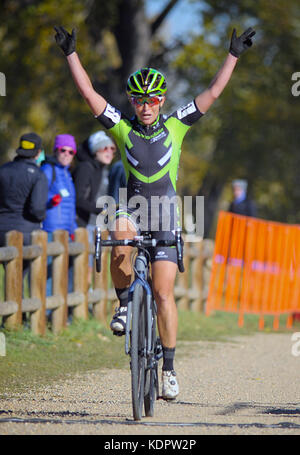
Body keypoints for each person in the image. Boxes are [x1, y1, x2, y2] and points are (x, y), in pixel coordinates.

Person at [54, 25, 256, 400]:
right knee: (117, 233)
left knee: (164, 295)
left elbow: (212, 92)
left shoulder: (178, 125)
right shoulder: (122, 129)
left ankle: (169, 368)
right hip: (133, 208)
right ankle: (125, 304)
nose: (145, 106)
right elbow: (88, 93)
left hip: (165, 214)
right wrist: (71, 54)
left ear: (161, 101)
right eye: (139, 100)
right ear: (132, 102)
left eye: (152, 100)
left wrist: (233, 55)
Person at [0, 133, 48, 296]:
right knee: (22, 275)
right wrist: (43, 216)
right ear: (38, 152)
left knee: (10, 274)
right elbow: (37, 209)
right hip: (26, 233)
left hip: (1, 231)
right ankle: (19, 319)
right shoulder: (38, 175)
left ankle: (14, 316)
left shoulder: (3, 170)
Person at [72, 130, 116, 284]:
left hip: (97, 226)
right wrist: (103, 209)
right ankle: (83, 303)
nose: (109, 152)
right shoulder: (86, 168)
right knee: (86, 268)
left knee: (98, 267)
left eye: (112, 149)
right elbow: (78, 200)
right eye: (105, 148)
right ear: (95, 150)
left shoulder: (103, 170)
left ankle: (88, 302)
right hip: (84, 225)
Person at [41, 134, 77, 296]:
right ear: (56, 151)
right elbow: (38, 197)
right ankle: (47, 313)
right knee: (48, 274)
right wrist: (50, 200)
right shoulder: (48, 170)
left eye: (71, 152)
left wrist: (73, 229)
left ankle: (62, 315)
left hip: (66, 232)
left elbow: (71, 206)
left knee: (62, 273)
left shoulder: (67, 174)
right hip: (51, 229)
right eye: (63, 150)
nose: (66, 155)